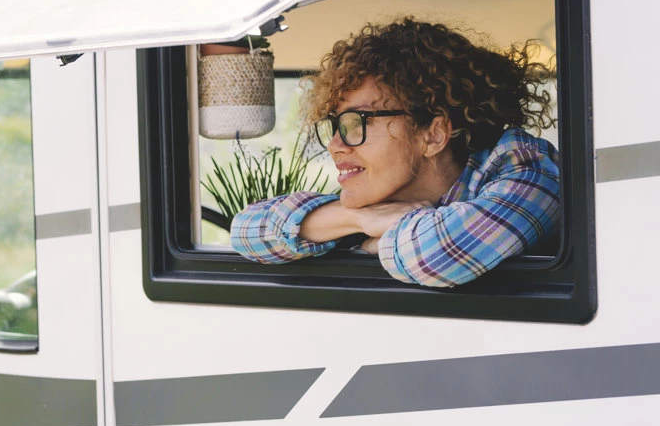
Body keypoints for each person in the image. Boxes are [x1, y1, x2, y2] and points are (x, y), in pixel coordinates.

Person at [230, 17, 559, 288]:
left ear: (433, 134)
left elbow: (435, 256)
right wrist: (357, 218)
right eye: (335, 125)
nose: (334, 144)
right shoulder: (383, 195)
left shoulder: (528, 167)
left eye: (355, 123)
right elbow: (246, 230)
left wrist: (369, 240)